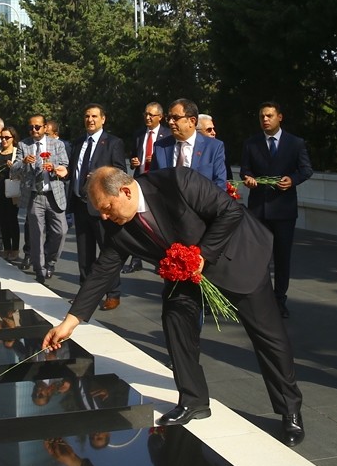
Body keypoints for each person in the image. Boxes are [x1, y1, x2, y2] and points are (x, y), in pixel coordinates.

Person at [42, 166, 305, 446]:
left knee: (268, 336)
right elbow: (105, 268)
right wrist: (70, 322)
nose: (104, 217)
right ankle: (194, 400)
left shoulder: (177, 181)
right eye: (100, 212)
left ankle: (290, 411)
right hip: (184, 273)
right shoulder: (116, 223)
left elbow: (230, 211)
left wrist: (202, 255)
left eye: (106, 208)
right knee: (175, 321)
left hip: (234, 257)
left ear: (126, 191)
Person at [240, 102, 313, 318]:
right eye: (262, 116)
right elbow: (245, 169)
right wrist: (248, 178)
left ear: (279, 117)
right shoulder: (251, 143)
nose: (265, 119)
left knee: (282, 257)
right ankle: (259, 299)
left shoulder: (295, 143)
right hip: (258, 209)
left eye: (269, 116)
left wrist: (292, 180)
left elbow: (306, 170)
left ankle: (280, 300)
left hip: (283, 210)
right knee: (258, 257)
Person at [69, 104, 128, 309]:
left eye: (94, 116)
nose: (90, 120)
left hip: (102, 207)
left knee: (107, 252)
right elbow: (73, 170)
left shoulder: (113, 143)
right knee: (84, 254)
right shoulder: (77, 143)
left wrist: (98, 176)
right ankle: (85, 295)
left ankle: (113, 293)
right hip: (80, 204)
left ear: (103, 119)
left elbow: (120, 172)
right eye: (87, 116)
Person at [12, 114, 69, 283]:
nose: (34, 130)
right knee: (36, 235)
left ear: (45, 127)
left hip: (54, 194)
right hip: (34, 196)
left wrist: (54, 168)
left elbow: (65, 166)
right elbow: (13, 171)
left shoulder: (57, 144)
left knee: (61, 231)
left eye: (37, 127)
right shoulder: (23, 145)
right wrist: (23, 162)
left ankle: (50, 262)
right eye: (31, 127)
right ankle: (40, 270)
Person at [125, 102, 169, 273]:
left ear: (160, 117)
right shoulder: (139, 134)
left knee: (158, 222)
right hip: (140, 181)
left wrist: (156, 160)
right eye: (146, 114)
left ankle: (161, 260)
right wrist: (134, 161)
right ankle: (136, 259)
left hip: (158, 183)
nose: (148, 117)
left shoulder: (166, 135)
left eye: (151, 115)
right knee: (139, 221)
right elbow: (134, 154)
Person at [151, 99, 230, 189]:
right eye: (169, 118)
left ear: (192, 121)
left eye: (175, 118)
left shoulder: (213, 147)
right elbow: (152, 182)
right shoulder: (160, 147)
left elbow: (220, 185)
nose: (170, 122)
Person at [0, 126, 23, 261]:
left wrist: (13, 167)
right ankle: (6, 248)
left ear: (13, 138)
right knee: (2, 220)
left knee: (12, 220)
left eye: (7, 137)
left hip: (12, 191)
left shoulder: (17, 152)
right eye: (2, 137)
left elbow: (22, 171)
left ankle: (15, 249)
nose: (4, 140)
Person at [196, 114, 231, 179]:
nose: (214, 133)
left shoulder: (218, 148)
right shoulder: (186, 148)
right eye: (209, 130)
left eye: (213, 129)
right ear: (197, 132)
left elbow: (224, 179)